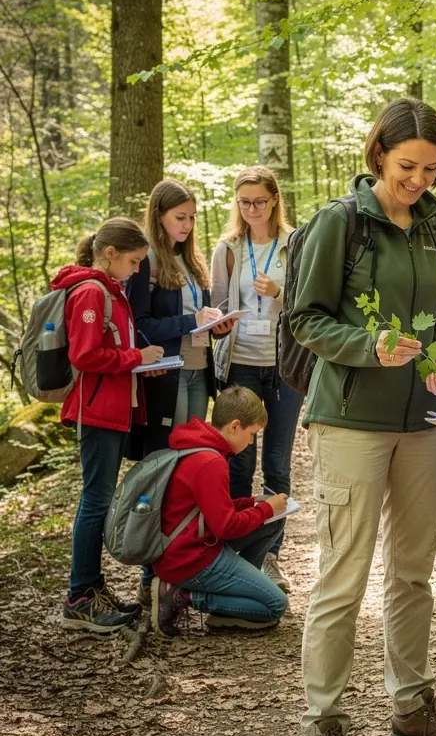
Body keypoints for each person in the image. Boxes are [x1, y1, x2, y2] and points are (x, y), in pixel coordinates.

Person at [290, 97, 436, 736]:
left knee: (413, 573)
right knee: (342, 579)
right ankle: (323, 724)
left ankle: (413, 707)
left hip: (422, 419)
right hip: (349, 421)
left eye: (430, 168)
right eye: (406, 166)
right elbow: (305, 319)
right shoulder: (341, 223)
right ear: (378, 157)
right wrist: (368, 347)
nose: (418, 180)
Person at [55, 217, 166, 632]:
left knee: (98, 500)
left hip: (113, 410)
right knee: (95, 502)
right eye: (134, 262)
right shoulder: (90, 292)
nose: (136, 270)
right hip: (97, 411)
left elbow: (112, 350)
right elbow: (84, 357)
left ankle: (92, 589)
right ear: (111, 254)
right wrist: (137, 359)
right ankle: (80, 597)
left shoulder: (110, 291)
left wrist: (140, 362)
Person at [211, 166, 301, 594]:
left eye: (259, 201)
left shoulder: (293, 245)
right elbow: (215, 309)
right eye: (244, 202)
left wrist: (278, 296)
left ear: (274, 201)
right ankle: (234, 551)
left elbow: (305, 306)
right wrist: (219, 325)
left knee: (277, 461)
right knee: (239, 461)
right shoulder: (228, 248)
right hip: (241, 363)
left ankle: (269, 556)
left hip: (283, 365)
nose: (251, 209)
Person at [149, 386, 290, 637]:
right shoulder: (211, 462)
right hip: (191, 558)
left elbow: (208, 509)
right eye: (252, 433)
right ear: (235, 426)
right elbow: (224, 526)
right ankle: (182, 595)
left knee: (273, 522)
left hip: (193, 544)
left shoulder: (203, 447)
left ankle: (231, 596)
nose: (251, 442)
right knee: (275, 605)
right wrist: (266, 509)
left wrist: (252, 503)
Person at [128, 178, 225, 462]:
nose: (188, 225)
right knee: (169, 454)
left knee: (194, 451)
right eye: (180, 217)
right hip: (169, 371)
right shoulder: (146, 259)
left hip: (201, 367)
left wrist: (218, 327)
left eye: (192, 217)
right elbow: (139, 325)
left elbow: (200, 316)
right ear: (159, 216)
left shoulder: (192, 259)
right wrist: (190, 321)